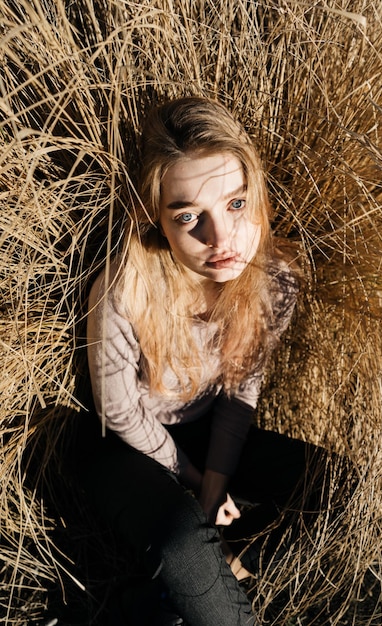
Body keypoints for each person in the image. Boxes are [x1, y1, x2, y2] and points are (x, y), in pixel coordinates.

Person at [82, 96, 328, 625]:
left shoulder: (273, 282)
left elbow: (242, 392)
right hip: (126, 449)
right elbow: (120, 412)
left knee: (335, 487)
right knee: (184, 545)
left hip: (206, 434)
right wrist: (194, 483)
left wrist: (215, 482)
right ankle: (193, 584)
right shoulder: (125, 291)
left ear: (256, 196)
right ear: (156, 220)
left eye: (235, 205)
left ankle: (176, 598)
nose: (220, 240)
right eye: (189, 216)